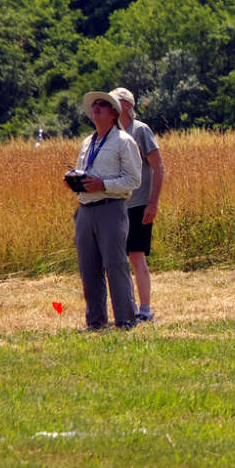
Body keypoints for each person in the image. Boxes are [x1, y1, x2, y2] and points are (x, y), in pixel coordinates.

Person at [66, 91, 141, 330]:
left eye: (102, 104)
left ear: (113, 113)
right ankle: (96, 322)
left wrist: (104, 185)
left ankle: (125, 321)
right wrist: (75, 182)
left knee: (115, 264)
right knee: (88, 267)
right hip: (85, 209)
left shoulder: (124, 141)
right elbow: (83, 171)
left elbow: (133, 180)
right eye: (94, 104)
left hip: (111, 208)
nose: (95, 107)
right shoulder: (87, 143)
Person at [110, 87, 165, 324]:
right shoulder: (110, 133)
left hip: (138, 204)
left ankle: (145, 309)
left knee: (136, 255)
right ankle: (129, 307)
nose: (107, 104)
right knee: (118, 258)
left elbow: (159, 167)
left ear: (127, 106)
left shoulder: (140, 130)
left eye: (114, 101)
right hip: (116, 204)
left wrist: (152, 204)